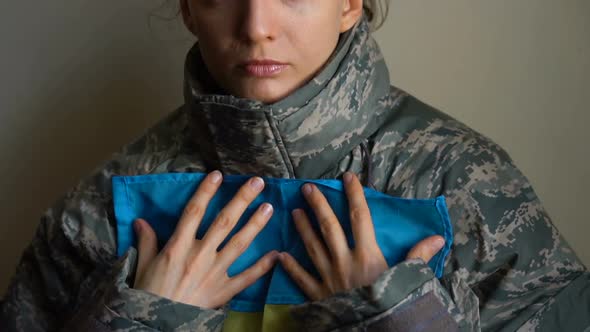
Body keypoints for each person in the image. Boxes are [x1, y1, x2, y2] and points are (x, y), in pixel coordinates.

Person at [1, 0, 589, 331]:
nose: (256, 27)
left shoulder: (462, 181)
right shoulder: (106, 201)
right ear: (187, 8)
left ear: (349, 3)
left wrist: (404, 319)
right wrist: (136, 321)